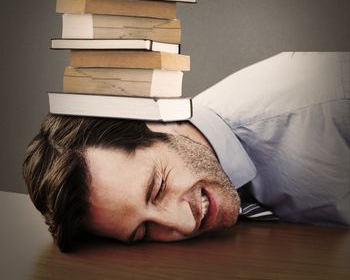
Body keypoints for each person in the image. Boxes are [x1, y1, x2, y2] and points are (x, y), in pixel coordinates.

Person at [23, 52, 350, 252]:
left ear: (155, 121)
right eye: (144, 231)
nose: (182, 224)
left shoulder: (330, 107)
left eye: (156, 188)